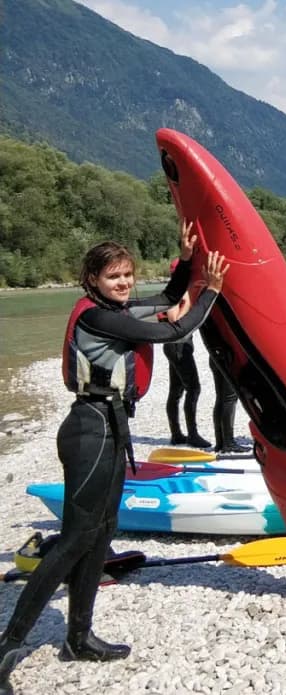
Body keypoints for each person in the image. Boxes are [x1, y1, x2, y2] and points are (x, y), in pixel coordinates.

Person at [0, 223, 228, 695]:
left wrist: (187, 260)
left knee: (102, 533)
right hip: (89, 431)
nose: (123, 283)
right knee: (74, 541)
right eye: (113, 277)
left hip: (111, 428)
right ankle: (8, 647)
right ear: (92, 280)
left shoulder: (116, 309)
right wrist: (212, 290)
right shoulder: (98, 318)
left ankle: (79, 638)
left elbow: (168, 298)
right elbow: (177, 328)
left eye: (127, 274)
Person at [161, 258, 211, 448]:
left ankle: (176, 434)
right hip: (178, 346)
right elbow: (175, 320)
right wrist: (191, 294)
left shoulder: (175, 291)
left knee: (176, 391)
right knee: (193, 388)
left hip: (176, 345)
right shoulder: (175, 294)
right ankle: (192, 434)